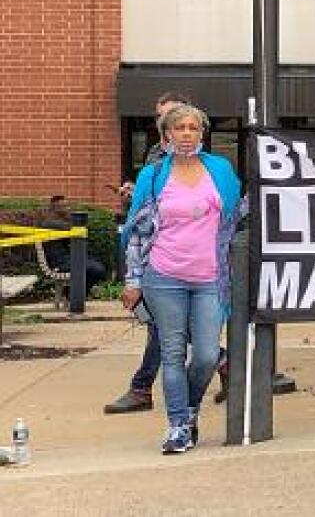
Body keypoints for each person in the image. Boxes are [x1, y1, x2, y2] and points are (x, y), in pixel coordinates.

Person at [120, 103, 242, 453]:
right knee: (172, 354)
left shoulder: (220, 169)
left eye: (193, 127)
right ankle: (178, 425)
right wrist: (133, 280)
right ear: (166, 135)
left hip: (211, 278)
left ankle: (189, 409)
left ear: (202, 133)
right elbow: (138, 232)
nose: (187, 133)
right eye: (180, 128)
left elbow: (237, 217)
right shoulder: (153, 175)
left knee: (205, 355)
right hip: (164, 277)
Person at [105, 92, 199, 415]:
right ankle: (144, 387)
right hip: (156, 260)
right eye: (160, 116)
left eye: (171, 115)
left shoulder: (198, 162)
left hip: (186, 264)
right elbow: (143, 221)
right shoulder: (155, 159)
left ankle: (142, 387)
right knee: (166, 329)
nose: (166, 123)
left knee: (166, 329)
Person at [41, 195, 107, 295]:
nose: (68, 209)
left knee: (97, 266)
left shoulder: (58, 222)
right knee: (97, 269)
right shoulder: (51, 224)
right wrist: (70, 218)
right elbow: (76, 230)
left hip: (68, 259)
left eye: (68, 206)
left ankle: (72, 293)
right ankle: (74, 294)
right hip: (59, 263)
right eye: (64, 206)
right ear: (55, 208)